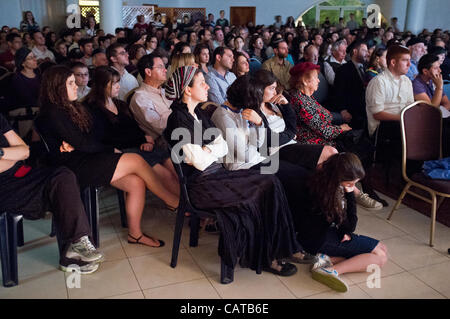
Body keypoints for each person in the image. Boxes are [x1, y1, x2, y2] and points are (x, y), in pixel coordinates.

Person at [163, 65, 313, 277]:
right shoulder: (178, 119)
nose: (207, 86)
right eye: (201, 82)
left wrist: (209, 149)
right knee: (268, 183)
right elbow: (196, 160)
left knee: (271, 182)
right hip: (201, 187)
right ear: (187, 90)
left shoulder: (197, 114)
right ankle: (268, 255)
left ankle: (281, 248)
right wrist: (210, 150)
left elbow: (221, 147)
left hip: (215, 176)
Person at [36, 65, 179, 248]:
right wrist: (108, 149)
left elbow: (86, 138)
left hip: (85, 157)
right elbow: (83, 143)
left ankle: (135, 234)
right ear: (56, 87)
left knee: (136, 182)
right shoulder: (52, 113)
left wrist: (77, 143)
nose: (76, 86)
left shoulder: (70, 108)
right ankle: (173, 201)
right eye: (71, 83)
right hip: (72, 167)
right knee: (136, 160)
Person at [0, 113, 103, 274]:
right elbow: (15, 155)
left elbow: (24, 152)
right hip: (4, 188)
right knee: (58, 192)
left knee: (62, 176)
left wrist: (1, 153)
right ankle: (71, 254)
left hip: (20, 173)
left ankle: (77, 242)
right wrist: (12, 154)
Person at [289, 62, 383, 210]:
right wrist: (341, 128)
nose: (319, 80)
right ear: (305, 81)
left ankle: (361, 189)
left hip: (323, 136)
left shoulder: (307, 97)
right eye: (315, 78)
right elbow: (324, 130)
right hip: (311, 141)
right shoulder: (299, 100)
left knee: (365, 146)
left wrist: (339, 126)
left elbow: (324, 120)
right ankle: (356, 192)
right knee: (354, 148)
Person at [296, 152, 388, 292]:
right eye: (350, 183)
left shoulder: (320, 180)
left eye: (355, 183)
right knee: (380, 258)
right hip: (318, 238)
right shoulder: (329, 194)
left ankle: (326, 259)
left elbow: (343, 225)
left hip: (317, 233)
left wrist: (344, 230)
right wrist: (351, 194)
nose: (352, 186)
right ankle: (331, 270)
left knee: (381, 247)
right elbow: (351, 225)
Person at [84, 66, 179, 194]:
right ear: (102, 85)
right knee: (164, 174)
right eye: (113, 83)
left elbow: (134, 127)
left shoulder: (120, 104)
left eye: (118, 82)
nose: (118, 86)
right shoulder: (92, 108)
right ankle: (181, 204)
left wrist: (145, 140)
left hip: (138, 146)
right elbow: (106, 138)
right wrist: (140, 140)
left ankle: (190, 200)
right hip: (121, 152)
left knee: (173, 167)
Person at [129, 53, 173, 145]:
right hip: (166, 143)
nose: (165, 70)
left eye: (164, 67)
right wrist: (178, 111)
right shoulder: (140, 98)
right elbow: (162, 127)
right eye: (160, 67)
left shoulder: (165, 92)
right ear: (148, 72)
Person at [332, 41, 370, 130]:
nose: (367, 54)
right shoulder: (343, 69)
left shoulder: (367, 67)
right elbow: (338, 92)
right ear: (355, 51)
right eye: (364, 50)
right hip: (352, 109)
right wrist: (343, 110)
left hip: (366, 106)